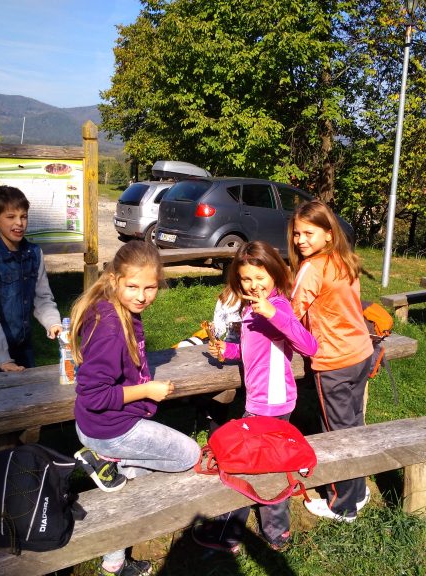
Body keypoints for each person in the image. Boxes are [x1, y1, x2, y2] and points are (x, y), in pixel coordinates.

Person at [71, 241, 200, 576]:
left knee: (131, 482)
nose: (141, 296)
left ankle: (114, 561)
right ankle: (106, 459)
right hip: (109, 429)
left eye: (150, 287)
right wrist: (147, 390)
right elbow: (94, 395)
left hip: (108, 424)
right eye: (132, 286)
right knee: (189, 455)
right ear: (114, 280)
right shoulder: (110, 327)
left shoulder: (118, 309)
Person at [191, 241, 317, 553]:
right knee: (267, 463)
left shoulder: (278, 306)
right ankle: (276, 531)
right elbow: (255, 349)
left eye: (260, 278)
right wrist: (229, 350)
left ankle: (229, 533)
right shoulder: (250, 307)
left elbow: (309, 346)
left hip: (270, 403)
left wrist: (274, 314)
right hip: (260, 399)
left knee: (245, 465)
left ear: (275, 274)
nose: (253, 285)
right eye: (246, 278)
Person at [288, 199, 374, 523]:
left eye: (308, 233)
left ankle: (342, 506)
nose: (300, 240)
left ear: (328, 233)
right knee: (353, 424)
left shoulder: (313, 267)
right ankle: (359, 490)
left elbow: (291, 313)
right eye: (297, 233)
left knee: (336, 433)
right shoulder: (344, 260)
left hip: (334, 362)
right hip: (361, 353)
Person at [0, 185, 62, 374]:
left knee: (30, 390)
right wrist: (2, 358)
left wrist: (53, 322)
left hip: (23, 344)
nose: (19, 223)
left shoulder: (34, 253)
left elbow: (42, 297)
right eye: (11, 217)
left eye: (23, 216)